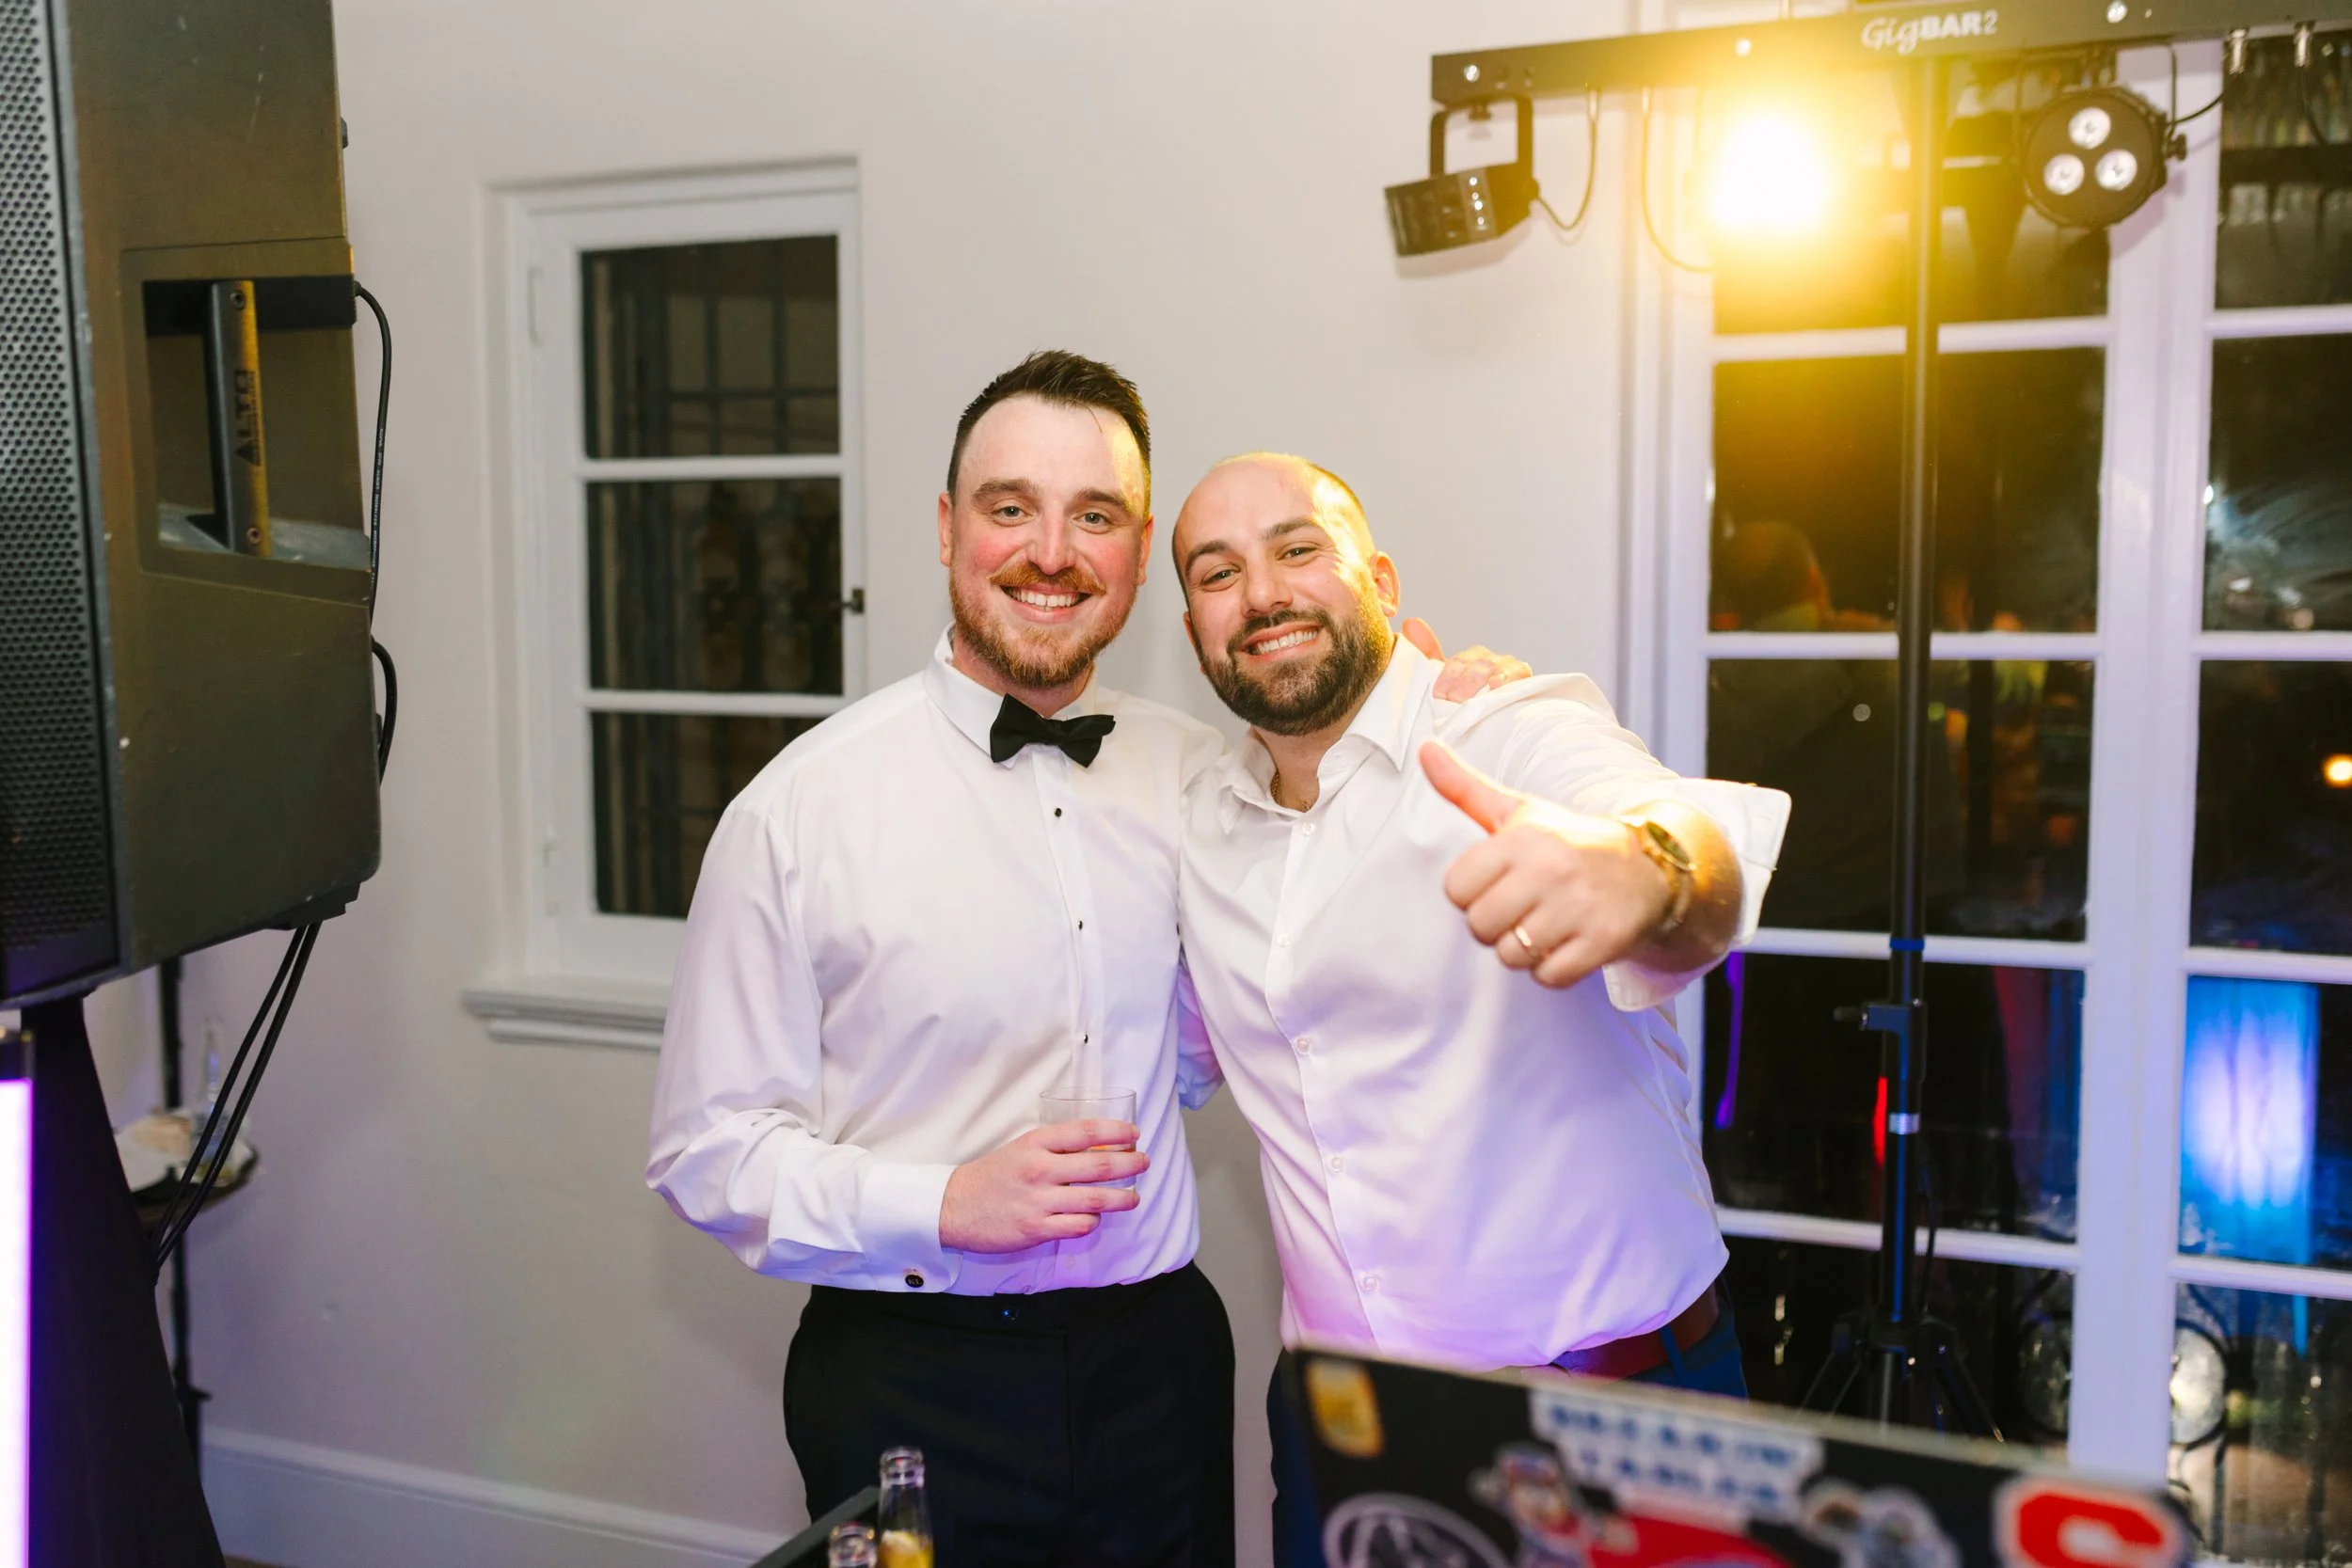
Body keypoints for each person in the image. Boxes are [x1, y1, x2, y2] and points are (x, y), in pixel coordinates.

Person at [645, 356, 1524, 1568]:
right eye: (1010, 507)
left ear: (1139, 548)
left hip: (1158, 1366)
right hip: (912, 1373)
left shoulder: (1210, 777)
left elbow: (1290, 952)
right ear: (947, 528)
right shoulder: (796, 813)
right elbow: (707, 1150)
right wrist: (943, 1200)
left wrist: (1439, 700)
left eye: (1094, 516)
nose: (1050, 551)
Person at [1165, 454, 1790, 1567]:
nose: (1260, 592)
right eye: (1218, 571)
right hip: (1344, 1433)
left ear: (1381, 582)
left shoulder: (1502, 730)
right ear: (1195, 625)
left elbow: (1682, 835)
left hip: (1615, 1421)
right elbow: (1148, 1051)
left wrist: (1641, 869)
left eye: (1297, 548)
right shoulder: (1199, 830)